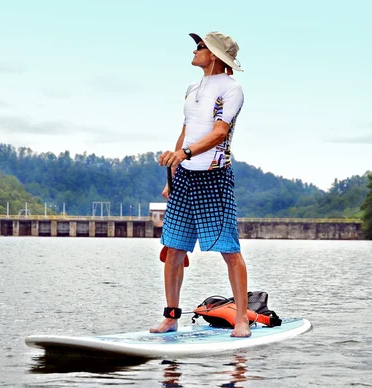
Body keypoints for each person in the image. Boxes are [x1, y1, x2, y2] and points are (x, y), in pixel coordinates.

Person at [151, 31, 251, 337]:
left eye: (201, 47)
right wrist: (175, 165)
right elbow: (187, 131)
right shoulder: (192, 88)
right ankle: (171, 316)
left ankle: (243, 320)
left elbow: (220, 132)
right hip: (185, 177)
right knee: (174, 249)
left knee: (229, 250)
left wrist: (186, 153)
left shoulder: (231, 90)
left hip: (213, 176)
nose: (195, 50)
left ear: (217, 57)